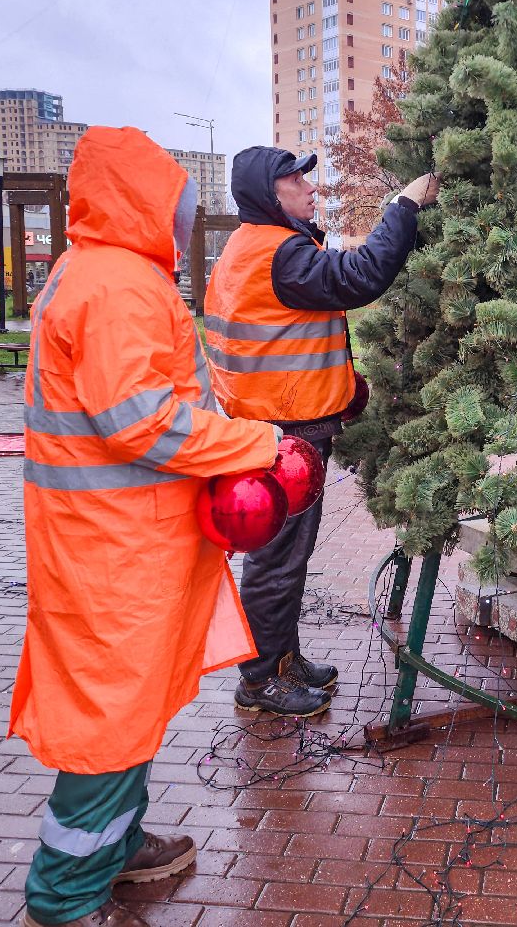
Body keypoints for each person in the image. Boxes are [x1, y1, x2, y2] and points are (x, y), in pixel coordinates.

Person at [11, 127, 281, 927]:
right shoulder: (115, 286)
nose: (186, 222)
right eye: (179, 207)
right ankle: (63, 898)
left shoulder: (99, 274)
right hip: (115, 547)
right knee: (109, 716)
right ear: (145, 204)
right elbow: (145, 424)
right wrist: (256, 443)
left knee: (127, 707)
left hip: (120, 539)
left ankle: (117, 848)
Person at [204, 147, 439, 716]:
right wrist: (403, 206)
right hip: (284, 433)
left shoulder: (250, 248)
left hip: (270, 421)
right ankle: (262, 680)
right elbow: (359, 278)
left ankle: (282, 660)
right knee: (278, 559)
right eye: (294, 180)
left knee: (284, 554)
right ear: (268, 193)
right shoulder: (280, 253)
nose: (310, 189)